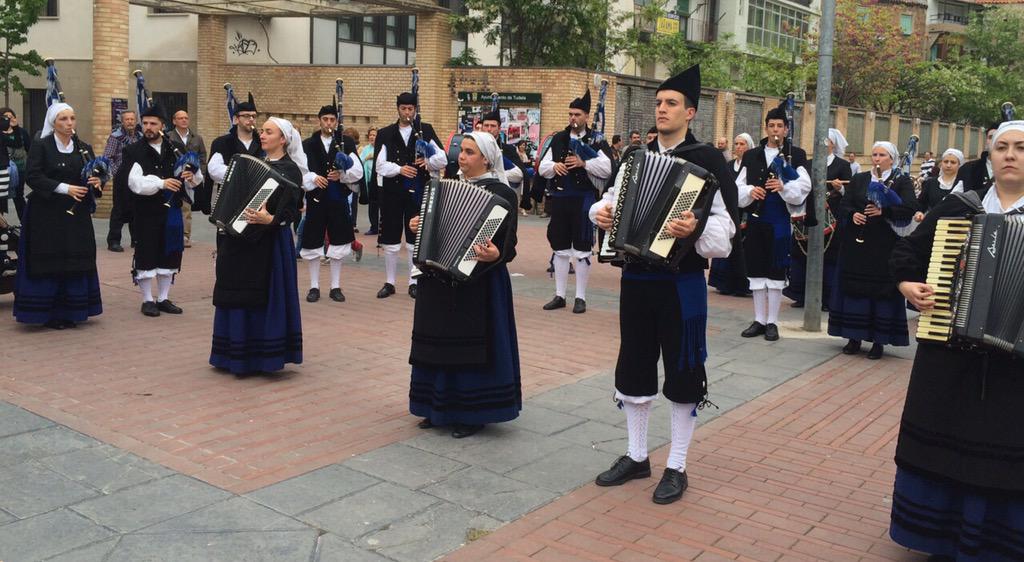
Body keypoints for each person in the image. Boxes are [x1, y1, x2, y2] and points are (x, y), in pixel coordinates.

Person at [590, 65, 735, 505]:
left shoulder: (707, 161)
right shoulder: (635, 159)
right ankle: (637, 457)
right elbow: (611, 202)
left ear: (690, 112)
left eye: (671, 103)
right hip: (636, 278)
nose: (662, 109)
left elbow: (726, 232)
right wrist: (600, 213)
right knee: (633, 366)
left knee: (683, 371)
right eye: (658, 103)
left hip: (681, 282)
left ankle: (677, 464)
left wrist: (693, 230)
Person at [888, 120, 1024, 561]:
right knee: (944, 441)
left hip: (1013, 368)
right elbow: (906, 252)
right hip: (949, 353)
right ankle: (935, 534)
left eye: (1020, 148)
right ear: (989, 156)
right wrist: (909, 284)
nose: (1010, 155)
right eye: (1001, 147)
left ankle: (995, 541)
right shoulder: (959, 207)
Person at [407, 131, 521, 439]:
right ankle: (434, 406)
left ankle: (472, 413)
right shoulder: (441, 187)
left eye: (470, 152)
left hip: (479, 280)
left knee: (471, 345)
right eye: (461, 150)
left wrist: (497, 253)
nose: (462, 156)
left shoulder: (503, 194)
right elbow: (427, 230)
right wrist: (416, 226)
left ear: (486, 158)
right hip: (437, 278)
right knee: (437, 340)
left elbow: (508, 245)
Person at [210, 117, 304, 375]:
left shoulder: (291, 170)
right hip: (239, 241)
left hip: (269, 243)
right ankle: (232, 352)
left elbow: (294, 211)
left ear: (282, 139)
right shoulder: (250, 162)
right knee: (234, 288)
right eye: (262, 131)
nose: (262, 135)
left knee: (263, 295)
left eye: (268, 132)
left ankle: (262, 355)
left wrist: (271, 219)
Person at [15, 103, 103, 328]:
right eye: (63, 119)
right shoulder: (41, 146)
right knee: (51, 259)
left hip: (76, 214)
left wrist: (96, 182)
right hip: (47, 214)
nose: (69, 123)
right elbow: (33, 177)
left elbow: (92, 177)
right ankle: (49, 313)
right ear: (53, 122)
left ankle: (73, 310)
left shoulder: (83, 148)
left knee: (74, 258)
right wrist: (65, 188)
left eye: (72, 118)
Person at [827, 141, 916, 360]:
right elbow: (845, 204)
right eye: (874, 154)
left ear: (891, 159)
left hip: (884, 246)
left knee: (880, 292)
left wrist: (884, 211)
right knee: (855, 290)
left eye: (882, 155)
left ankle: (879, 341)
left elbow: (910, 207)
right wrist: (852, 215)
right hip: (858, 246)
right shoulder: (860, 179)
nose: (877, 159)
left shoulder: (901, 181)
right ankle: (853, 337)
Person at [735, 102, 811, 341]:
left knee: (776, 271)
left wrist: (783, 185)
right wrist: (750, 192)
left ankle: (772, 322)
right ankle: (758, 319)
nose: (775, 130)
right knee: (757, 268)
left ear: (786, 130)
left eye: (780, 126)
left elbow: (804, 185)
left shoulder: (794, 155)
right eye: (771, 126)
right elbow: (738, 185)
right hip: (757, 220)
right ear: (766, 128)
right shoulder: (751, 155)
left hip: (779, 220)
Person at [537, 88, 612, 314]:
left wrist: (584, 163)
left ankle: (580, 297)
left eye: (577, 114)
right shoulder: (559, 138)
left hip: (583, 199)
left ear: (587, 116)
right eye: (570, 114)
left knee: (581, 248)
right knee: (560, 247)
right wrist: (555, 166)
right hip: (561, 198)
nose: (573, 118)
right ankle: (559, 295)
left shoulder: (595, 139)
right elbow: (542, 166)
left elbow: (608, 168)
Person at [125, 105, 203, 317]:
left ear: (163, 126)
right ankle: (147, 299)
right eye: (146, 123)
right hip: (146, 211)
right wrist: (161, 183)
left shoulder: (175, 147)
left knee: (170, 252)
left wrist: (191, 177)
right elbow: (134, 182)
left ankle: (163, 298)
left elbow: (195, 176)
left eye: (153, 124)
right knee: (147, 251)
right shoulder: (134, 150)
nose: (148, 128)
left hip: (172, 209)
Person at [373, 91, 447, 299]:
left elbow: (441, 159)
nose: (407, 113)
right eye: (404, 109)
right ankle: (389, 282)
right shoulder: (385, 133)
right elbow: (380, 165)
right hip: (393, 193)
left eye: (411, 109)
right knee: (391, 237)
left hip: (418, 192)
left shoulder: (425, 130)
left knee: (415, 236)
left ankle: (414, 281)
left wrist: (428, 160)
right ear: (398, 109)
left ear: (415, 110)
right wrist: (399, 169)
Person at [299, 104, 363, 303]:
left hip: (337, 199)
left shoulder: (346, 143)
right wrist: (312, 177)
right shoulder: (308, 144)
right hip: (316, 199)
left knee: (339, 241)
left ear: (336, 122)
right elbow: (299, 169)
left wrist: (342, 174)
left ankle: (335, 286)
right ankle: (314, 286)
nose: (329, 123)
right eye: (325, 119)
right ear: (319, 120)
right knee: (312, 242)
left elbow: (358, 171)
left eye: (332, 120)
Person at [784, 128, 852, 309]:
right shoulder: (807, 164)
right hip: (809, 212)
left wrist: (840, 189)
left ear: (833, 144)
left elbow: (850, 192)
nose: (822, 145)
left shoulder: (842, 165)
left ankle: (827, 298)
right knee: (801, 255)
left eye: (825, 141)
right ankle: (800, 294)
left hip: (832, 217)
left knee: (829, 257)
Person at [708, 132, 754, 297]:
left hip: (744, 211)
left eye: (742, 144)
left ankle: (741, 284)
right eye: (736, 144)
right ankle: (724, 283)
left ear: (749, 147)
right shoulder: (729, 165)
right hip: (727, 209)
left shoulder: (751, 165)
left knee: (741, 247)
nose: (738, 147)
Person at [207, 93, 263, 208]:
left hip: (257, 201)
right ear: (236, 119)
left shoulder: (263, 142)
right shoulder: (222, 142)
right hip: (229, 201)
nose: (251, 119)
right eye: (246, 116)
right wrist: (240, 174)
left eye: (254, 116)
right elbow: (214, 169)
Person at [166, 110, 207, 249]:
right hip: (174, 176)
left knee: (186, 207)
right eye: (180, 118)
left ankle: (185, 236)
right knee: (173, 206)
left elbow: (202, 156)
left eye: (186, 118)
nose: (184, 120)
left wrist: (199, 172)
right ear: (174, 121)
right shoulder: (168, 137)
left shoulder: (197, 138)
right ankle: (172, 233)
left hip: (190, 177)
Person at [103, 110, 141, 252]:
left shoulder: (140, 136)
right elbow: (108, 156)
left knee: (136, 208)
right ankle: (113, 241)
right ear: (122, 121)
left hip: (137, 176)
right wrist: (116, 171)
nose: (130, 122)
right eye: (127, 120)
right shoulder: (116, 137)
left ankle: (136, 239)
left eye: (132, 119)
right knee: (119, 209)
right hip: (122, 177)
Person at [914, 148, 964, 222]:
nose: (948, 165)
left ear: (959, 165)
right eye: (946, 162)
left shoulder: (963, 184)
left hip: (956, 226)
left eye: (953, 162)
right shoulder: (931, 182)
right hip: (933, 224)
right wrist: (919, 213)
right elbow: (921, 203)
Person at [1, 108, 31, 220]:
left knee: (18, 197)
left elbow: (22, 145)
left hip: (19, 170)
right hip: (3, 169)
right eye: (5, 117)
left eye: (11, 117)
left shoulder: (21, 132)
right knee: (1, 199)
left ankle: (25, 225)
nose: (8, 120)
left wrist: (15, 127)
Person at [955, 120, 1002, 193]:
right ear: (986, 141)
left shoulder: (1018, 170)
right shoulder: (967, 169)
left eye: (998, 136)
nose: (994, 141)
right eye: (991, 137)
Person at [359, 127, 379, 235]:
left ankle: (383, 227)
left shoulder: (381, 148)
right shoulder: (366, 149)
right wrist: (367, 157)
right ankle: (374, 226)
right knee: (372, 205)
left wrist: (374, 157)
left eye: (374, 135)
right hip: (369, 180)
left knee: (383, 205)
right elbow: (359, 161)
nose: (372, 137)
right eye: (370, 135)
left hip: (380, 180)